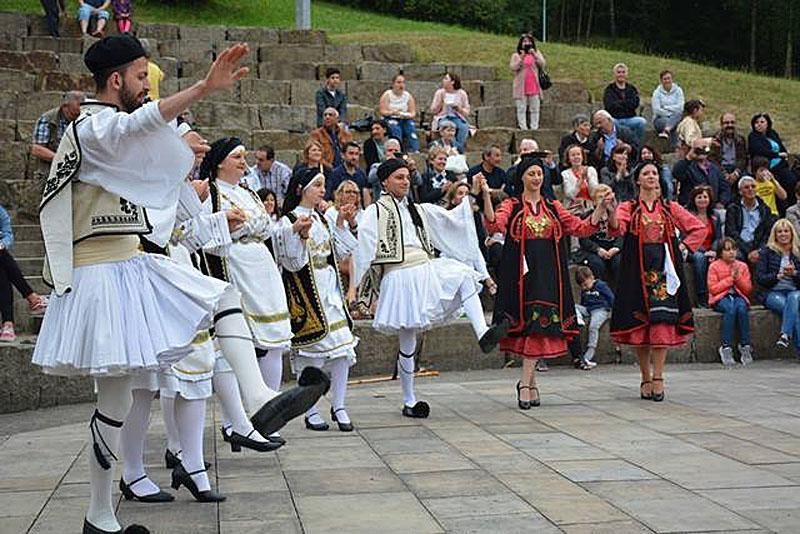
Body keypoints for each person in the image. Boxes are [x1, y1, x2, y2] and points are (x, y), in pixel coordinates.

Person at [31, 37, 328, 534]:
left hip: (128, 264)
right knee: (116, 400)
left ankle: (254, 401)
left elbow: (156, 183)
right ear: (114, 80)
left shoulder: (114, 138)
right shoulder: (94, 125)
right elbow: (138, 125)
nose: (146, 84)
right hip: (102, 272)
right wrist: (203, 88)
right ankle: (100, 514)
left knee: (216, 299)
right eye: (140, 75)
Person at [354, 159, 501, 418]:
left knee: (465, 276)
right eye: (399, 177)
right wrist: (367, 291)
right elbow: (365, 252)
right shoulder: (374, 212)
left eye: (407, 177)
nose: (405, 181)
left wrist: (474, 193)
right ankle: (409, 400)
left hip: (423, 267)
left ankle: (482, 333)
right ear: (385, 181)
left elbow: (453, 220)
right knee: (408, 339)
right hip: (398, 275)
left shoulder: (418, 210)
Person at [484, 158, 612, 407]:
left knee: (540, 326)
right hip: (523, 276)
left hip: (550, 273)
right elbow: (494, 224)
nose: (537, 178)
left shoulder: (553, 206)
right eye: (531, 173)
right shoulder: (512, 205)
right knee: (531, 327)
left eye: (539, 173)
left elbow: (580, 228)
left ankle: (528, 383)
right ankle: (526, 383)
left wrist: (600, 207)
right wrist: (487, 197)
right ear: (522, 177)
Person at [609, 162, 706, 402]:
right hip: (636, 272)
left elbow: (698, 228)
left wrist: (683, 247)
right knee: (640, 327)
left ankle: (659, 377)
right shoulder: (629, 207)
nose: (651, 176)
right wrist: (610, 211)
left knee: (661, 323)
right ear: (638, 181)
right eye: (646, 173)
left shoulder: (669, 207)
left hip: (662, 272)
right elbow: (616, 229)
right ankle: (645, 376)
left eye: (654, 173)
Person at [275, 169, 360, 432]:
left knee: (343, 351)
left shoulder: (324, 218)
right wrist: (298, 234)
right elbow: (290, 260)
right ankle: (310, 409)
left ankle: (339, 404)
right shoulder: (287, 221)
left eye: (323, 186)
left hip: (329, 287)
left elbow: (345, 249)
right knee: (312, 354)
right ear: (302, 189)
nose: (322, 190)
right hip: (306, 291)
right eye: (317, 185)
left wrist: (342, 224)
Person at [0, 204, 48, 342]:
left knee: (2, 267)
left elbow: (8, 235)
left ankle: (8, 324)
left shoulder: (0, 212)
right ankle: (31, 299)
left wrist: (2, 244)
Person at [756, 219, 800, 355]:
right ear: (774, 235)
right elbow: (760, 278)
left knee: (793, 298)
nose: (783, 234)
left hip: (794, 291)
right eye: (779, 232)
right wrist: (777, 276)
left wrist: (795, 273)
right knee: (794, 312)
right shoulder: (766, 252)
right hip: (773, 292)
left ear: (792, 234)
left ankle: (785, 335)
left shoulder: (798, 252)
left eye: (786, 231)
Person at [708, 237, 753, 366]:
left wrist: (738, 278)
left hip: (739, 296)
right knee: (730, 309)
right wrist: (730, 279)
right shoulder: (714, 266)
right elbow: (713, 289)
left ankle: (745, 346)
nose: (731, 252)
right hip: (721, 297)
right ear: (720, 252)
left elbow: (748, 289)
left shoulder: (742, 266)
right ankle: (726, 347)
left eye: (733, 249)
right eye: (727, 250)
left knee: (741, 309)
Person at [31, 91, 85, 183]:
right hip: (50, 174)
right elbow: (37, 149)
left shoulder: (84, 119)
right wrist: (63, 160)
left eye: (78, 115)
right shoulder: (47, 119)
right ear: (64, 106)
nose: (76, 118)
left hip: (78, 175)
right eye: (73, 114)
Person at [749, 113, 797, 215]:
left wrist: (784, 155)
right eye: (756, 122)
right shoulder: (753, 137)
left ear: (768, 123)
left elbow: (782, 148)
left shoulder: (773, 134)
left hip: (781, 166)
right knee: (774, 186)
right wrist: (777, 154)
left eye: (762, 122)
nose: (759, 124)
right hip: (766, 167)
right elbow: (760, 150)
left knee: (791, 180)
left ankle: (792, 208)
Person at [574, 184, 623, 282]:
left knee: (619, 262)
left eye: (607, 196)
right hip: (594, 250)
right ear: (594, 201)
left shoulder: (617, 215)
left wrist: (616, 248)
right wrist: (598, 250)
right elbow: (584, 240)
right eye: (601, 197)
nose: (605, 200)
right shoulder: (587, 216)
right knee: (597, 264)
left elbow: (622, 234)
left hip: (613, 248)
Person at [686, 185, 723, 307]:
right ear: (694, 199)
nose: (702, 200)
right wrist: (703, 251)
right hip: (692, 249)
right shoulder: (688, 216)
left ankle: (719, 295)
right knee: (699, 258)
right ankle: (701, 296)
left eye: (705, 197)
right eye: (699, 197)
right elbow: (687, 237)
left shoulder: (715, 216)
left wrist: (713, 250)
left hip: (710, 249)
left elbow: (718, 238)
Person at [725, 176, 775, 265]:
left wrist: (759, 250)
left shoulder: (765, 209)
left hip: (758, 246)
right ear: (740, 192)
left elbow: (767, 233)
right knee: (737, 257)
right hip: (739, 246)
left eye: (753, 186)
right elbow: (731, 233)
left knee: (767, 256)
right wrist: (748, 251)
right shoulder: (733, 208)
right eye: (746, 187)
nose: (750, 189)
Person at [575, 265, 614, 369]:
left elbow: (611, 297)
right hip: (588, 309)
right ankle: (579, 319)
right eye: (582, 286)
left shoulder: (601, 285)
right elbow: (582, 302)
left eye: (585, 284)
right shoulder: (584, 290)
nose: (584, 288)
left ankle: (590, 351)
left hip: (600, 309)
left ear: (591, 277)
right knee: (574, 307)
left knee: (593, 327)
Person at [672, 140, 730, 208]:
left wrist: (721, 202)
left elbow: (725, 188)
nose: (701, 151)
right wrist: (689, 157)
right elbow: (676, 174)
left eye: (704, 148)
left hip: (712, 208)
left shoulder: (715, 168)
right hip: (691, 208)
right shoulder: (687, 167)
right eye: (698, 149)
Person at [602, 63, 646, 145]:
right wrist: (626, 103)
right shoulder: (609, 89)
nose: (621, 74)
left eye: (623, 72)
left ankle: (637, 146)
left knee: (641, 122)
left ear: (626, 74)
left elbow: (635, 103)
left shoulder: (631, 89)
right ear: (615, 74)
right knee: (609, 123)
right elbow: (609, 106)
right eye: (618, 72)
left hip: (630, 118)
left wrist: (619, 103)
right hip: (615, 119)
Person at [509, 33, 546, 130]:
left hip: (534, 84)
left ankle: (534, 127)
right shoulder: (516, 55)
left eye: (529, 41)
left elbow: (542, 64)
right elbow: (513, 67)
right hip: (521, 86)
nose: (527, 43)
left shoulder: (536, 53)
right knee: (521, 108)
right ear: (521, 43)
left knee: (535, 108)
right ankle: (523, 127)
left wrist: (534, 54)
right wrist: (521, 58)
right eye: (524, 41)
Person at [430, 73, 471, 153]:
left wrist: (459, 109)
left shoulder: (462, 93)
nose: (443, 80)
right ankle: (450, 148)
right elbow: (433, 110)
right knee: (447, 126)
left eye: (446, 79)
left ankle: (458, 148)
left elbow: (467, 111)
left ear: (452, 82)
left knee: (463, 127)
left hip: (457, 117)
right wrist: (441, 102)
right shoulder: (440, 93)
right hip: (443, 116)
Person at [379, 73, 420, 153]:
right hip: (390, 117)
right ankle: (397, 150)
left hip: (404, 118)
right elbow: (383, 111)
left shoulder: (408, 96)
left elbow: (412, 112)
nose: (401, 85)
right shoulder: (387, 95)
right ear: (393, 84)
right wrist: (392, 112)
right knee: (395, 129)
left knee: (410, 128)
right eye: (398, 82)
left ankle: (415, 150)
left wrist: (405, 115)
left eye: (403, 82)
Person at [710, 112, 748, 195]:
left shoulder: (740, 139)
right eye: (726, 123)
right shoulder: (715, 139)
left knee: (747, 181)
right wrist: (724, 174)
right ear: (721, 125)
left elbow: (743, 158)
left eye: (732, 122)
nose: (729, 125)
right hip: (721, 168)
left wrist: (736, 173)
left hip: (736, 167)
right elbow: (712, 159)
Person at [561, 144, 599, 213]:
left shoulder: (591, 170)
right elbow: (569, 194)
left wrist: (588, 178)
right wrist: (580, 181)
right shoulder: (565, 174)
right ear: (568, 159)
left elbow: (595, 192)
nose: (576, 157)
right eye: (573, 155)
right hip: (573, 209)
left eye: (578, 154)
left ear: (582, 157)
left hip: (590, 207)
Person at [651, 70, 685, 146]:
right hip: (660, 119)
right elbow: (657, 110)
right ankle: (675, 147)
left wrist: (666, 107)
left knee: (678, 116)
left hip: (676, 117)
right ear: (661, 81)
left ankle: (667, 130)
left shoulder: (678, 90)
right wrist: (671, 114)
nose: (667, 81)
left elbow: (681, 107)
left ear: (672, 79)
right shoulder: (657, 93)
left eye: (669, 78)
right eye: (665, 79)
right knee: (674, 123)